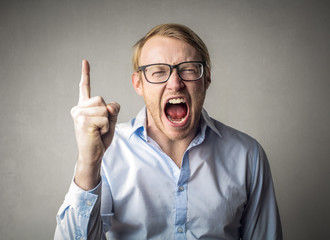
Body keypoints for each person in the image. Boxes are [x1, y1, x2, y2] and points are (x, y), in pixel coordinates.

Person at [55, 23, 282, 240]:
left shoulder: (247, 155)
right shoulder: (109, 150)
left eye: (189, 70)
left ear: (207, 79)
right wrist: (89, 161)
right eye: (157, 71)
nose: (175, 83)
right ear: (138, 83)